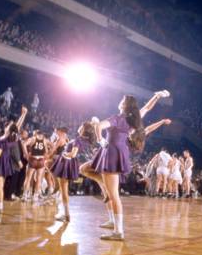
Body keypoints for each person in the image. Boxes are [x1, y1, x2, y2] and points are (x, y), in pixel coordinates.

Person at [91, 90, 170, 241]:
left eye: (122, 100)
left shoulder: (117, 118)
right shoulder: (132, 120)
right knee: (111, 192)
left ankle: (118, 231)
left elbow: (99, 126)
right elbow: (147, 108)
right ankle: (115, 225)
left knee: (113, 195)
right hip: (120, 153)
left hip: (111, 153)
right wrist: (157, 96)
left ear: (124, 105)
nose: (120, 101)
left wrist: (100, 139)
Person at [51, 121, 97, 222]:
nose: (79, 126)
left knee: (63, 190)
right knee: (63, 189)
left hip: (66, 163)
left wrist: (64, 154)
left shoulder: (78, 139)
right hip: (72, 164)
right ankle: (65, 213)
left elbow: (73, 154)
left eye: (81, 126)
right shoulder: (85, 140)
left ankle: (66, 214)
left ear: (83, 130)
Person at [0, 106, 27, 213]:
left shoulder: (3, 139)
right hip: (5, 162)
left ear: (8, 129)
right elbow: (17, 126)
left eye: (8, 126)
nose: (7, 126)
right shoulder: (12, 137)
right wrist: (23, 114)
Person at [22, 130, 52, 203]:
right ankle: (35, 196)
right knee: (39, 179)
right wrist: (48, 154)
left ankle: (25, 195)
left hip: (33, 159)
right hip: (41, 160)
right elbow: (53, 146)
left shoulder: (33, 139)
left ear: (36, 134)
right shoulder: (45, 140)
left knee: (28, 178)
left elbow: (23, 144)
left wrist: (26, 154)